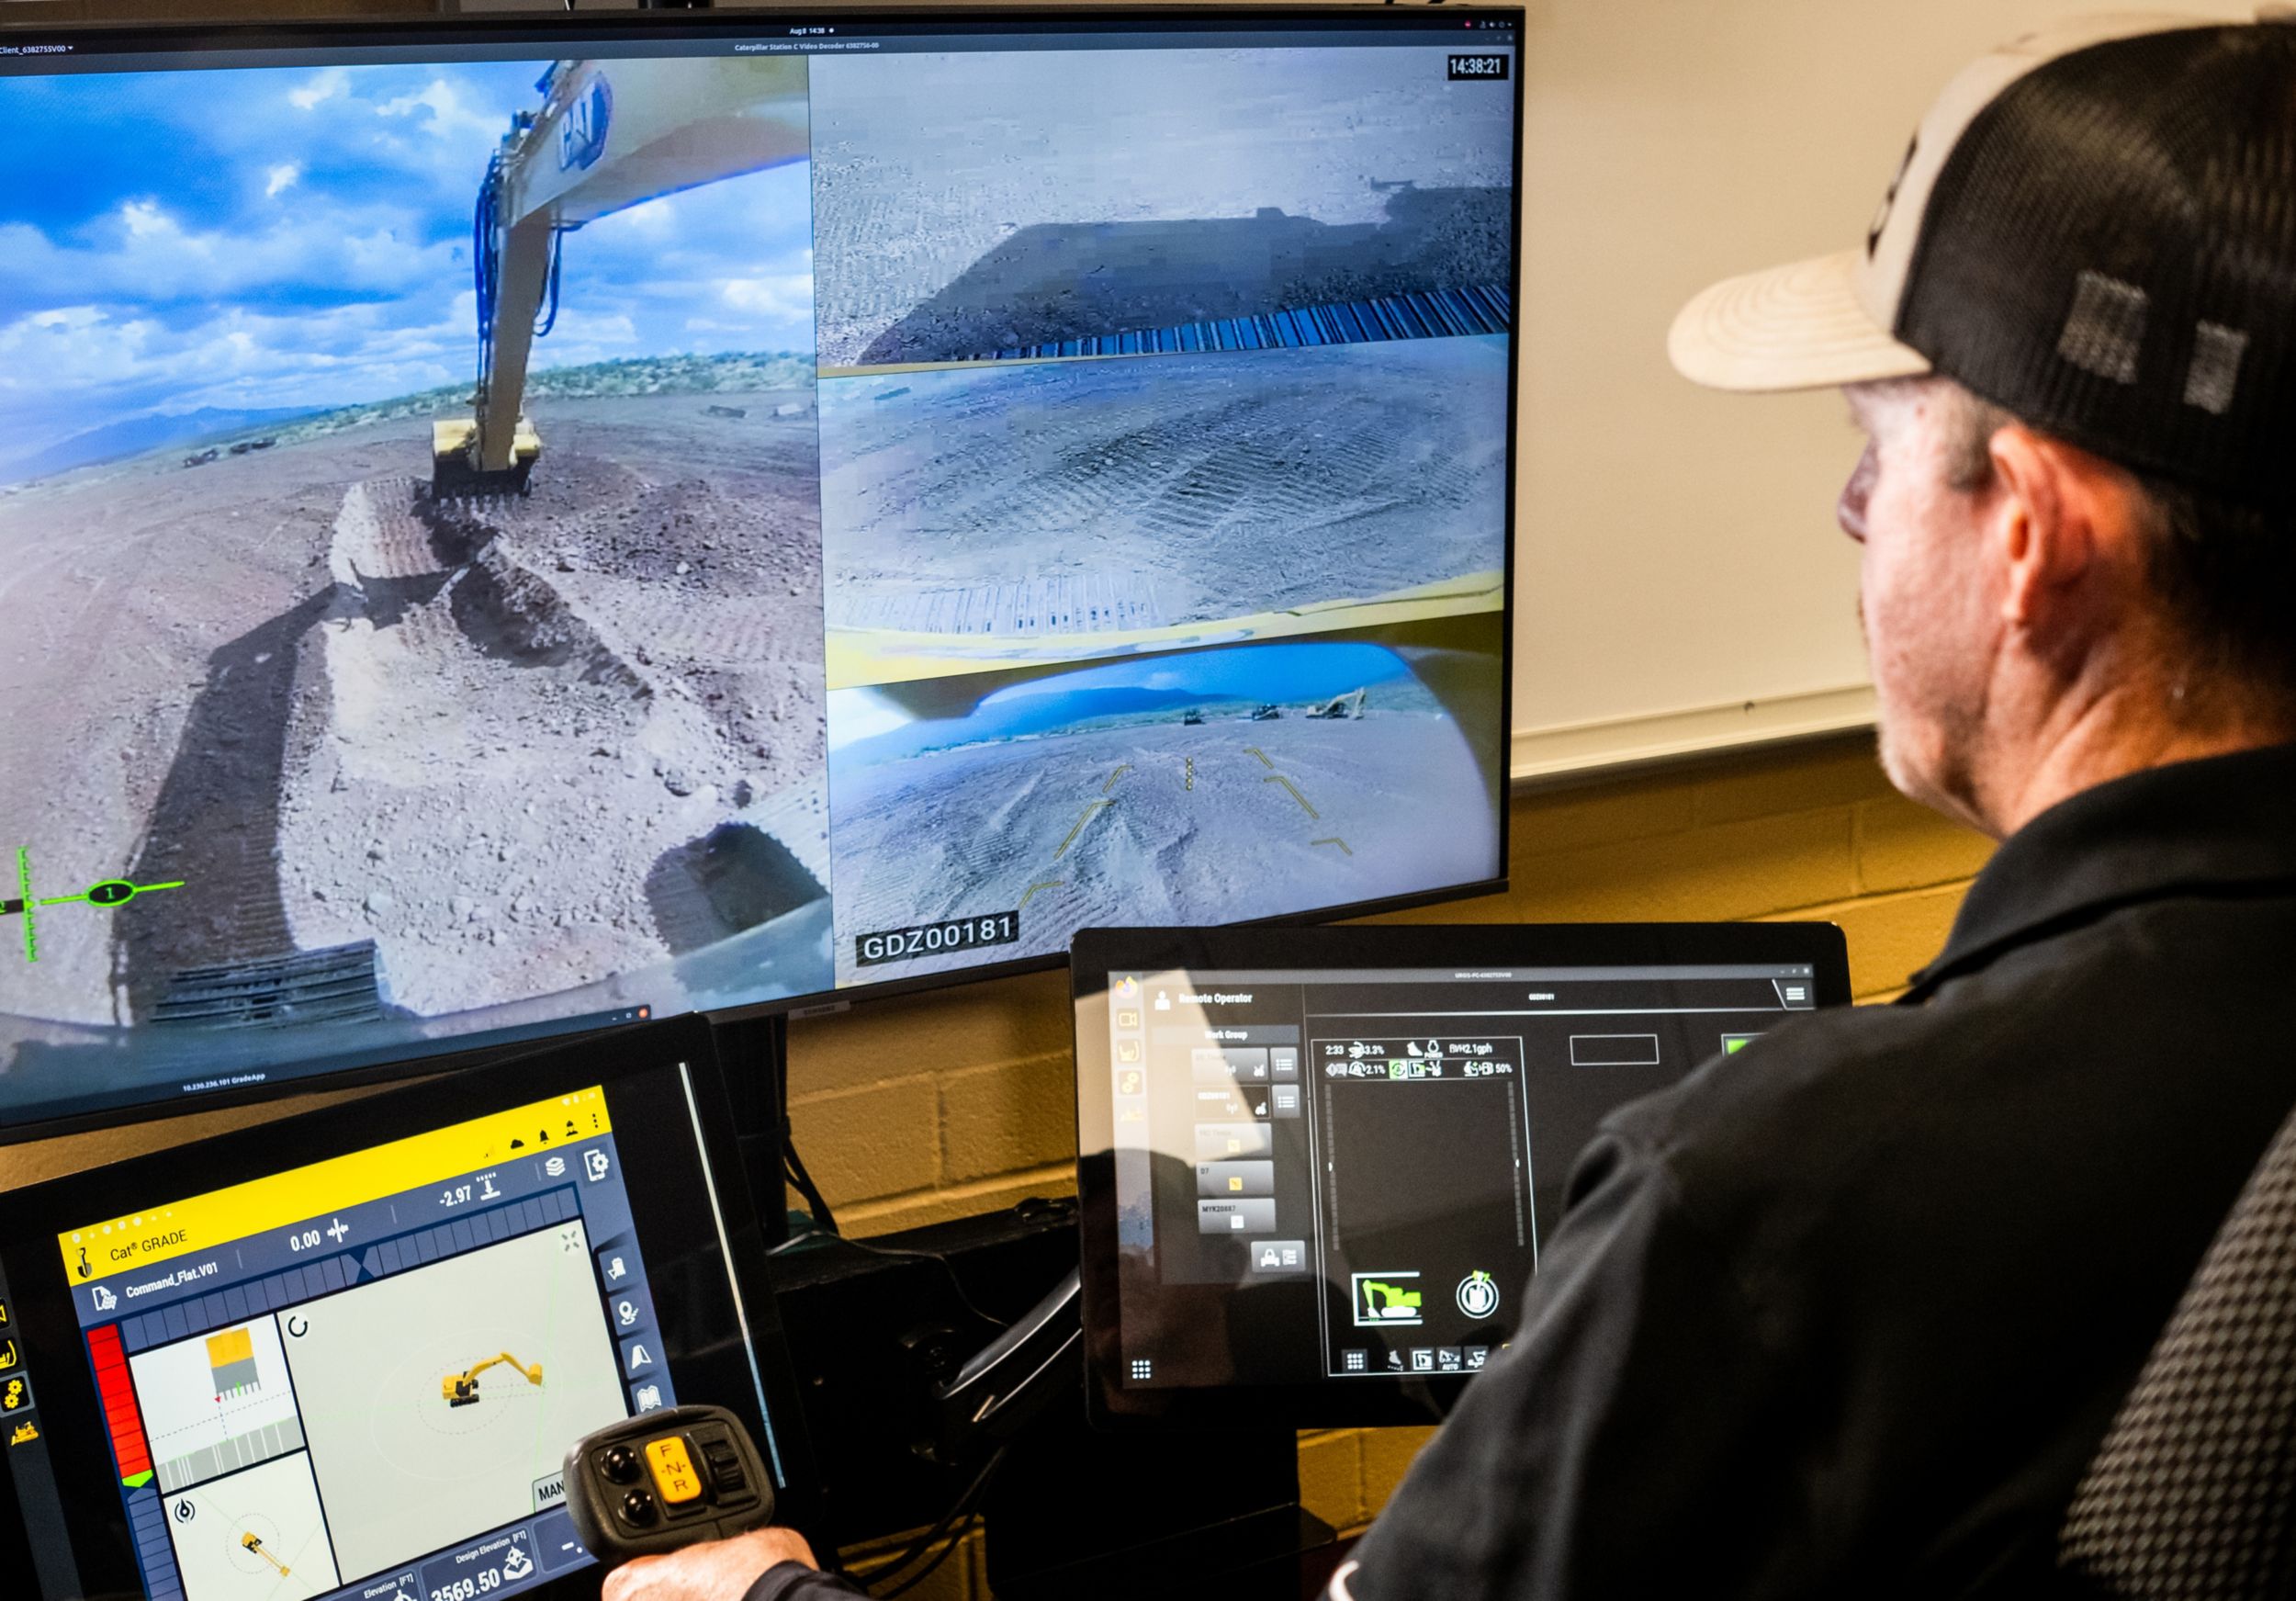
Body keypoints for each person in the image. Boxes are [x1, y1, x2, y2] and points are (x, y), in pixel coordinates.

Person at [610, 15, 2296, 1599]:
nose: (1855, 514)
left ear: (2029, 538)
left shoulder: (1796, 1201)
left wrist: (771, 1590)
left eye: (1883, 446)